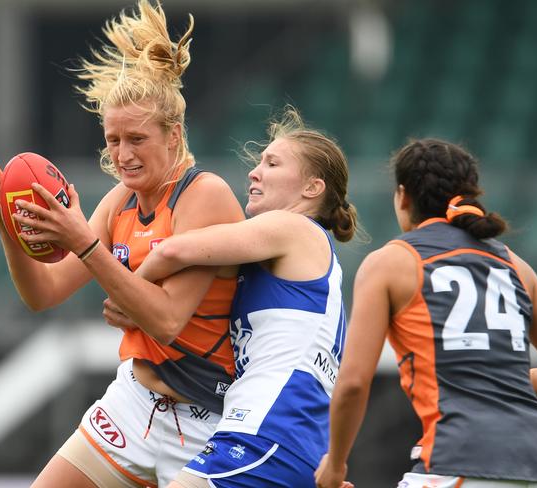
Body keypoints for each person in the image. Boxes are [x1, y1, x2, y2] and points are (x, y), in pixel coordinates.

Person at [0, 1, 245, 487]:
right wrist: (8, 229)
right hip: (134, 402)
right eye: (113, 139)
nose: (123, 155)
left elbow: (165, 321)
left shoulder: (205, 196)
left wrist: (83, 243)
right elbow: (44, 294)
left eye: (137, 139)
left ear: (174, 135)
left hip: (209, 416)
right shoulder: (120, 201)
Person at [315, 138, 537, 488]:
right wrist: (528, 379)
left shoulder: (390, 262)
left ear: (403, 196)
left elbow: (353, 383)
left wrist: (335, 464)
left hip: (461, 458)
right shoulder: (515, 264)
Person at [107, 107, 358, 487]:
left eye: (272, 163)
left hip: (267, 433)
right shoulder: (295, 252)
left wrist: (131, 293)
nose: (255, 172)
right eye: (259, 162)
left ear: (312, 188)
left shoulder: (292, 226)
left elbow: (171, 251)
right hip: (287, 440)